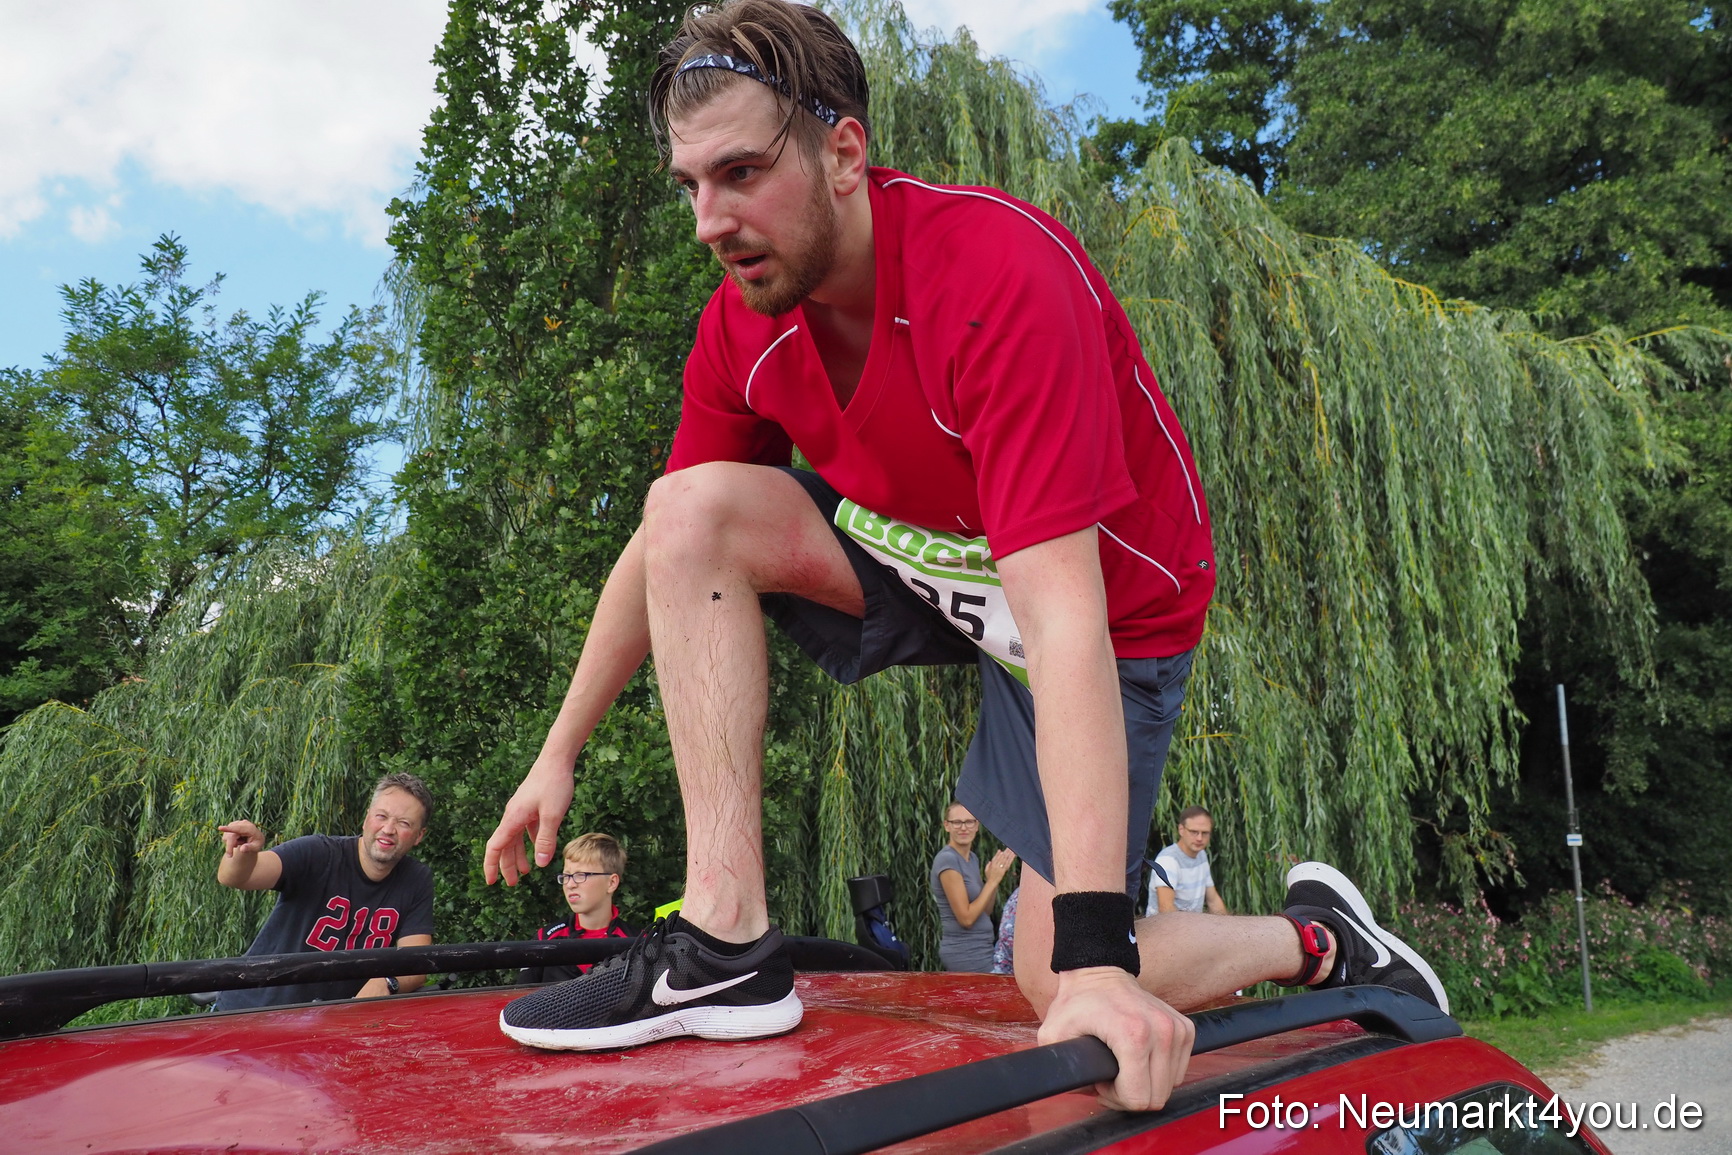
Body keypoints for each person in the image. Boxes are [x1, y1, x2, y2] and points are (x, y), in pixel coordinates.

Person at [486, 0, 1448, 1109]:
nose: (710, 218)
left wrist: (1096, 960)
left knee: (1051, 973)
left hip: (1102, 607)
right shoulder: (741, 322)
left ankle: (1316, 939)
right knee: (692, 506)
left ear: (843, 151)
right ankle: (725, 941)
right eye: (690, 185)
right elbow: (665, 537)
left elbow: (1063, 616)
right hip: (935, 566)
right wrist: (559, 749)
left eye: (741, 173)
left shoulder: (995, 276)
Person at [214, 772, 436, 1010]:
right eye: (381, 816)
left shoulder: (417, 879)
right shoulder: (319, 853)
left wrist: (388, 982)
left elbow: (417, 963)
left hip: (330, 1025)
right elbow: (236, 877)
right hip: (251, 1012)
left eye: (404, 823)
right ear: (366, 819)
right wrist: (243, 852)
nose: (388, 829)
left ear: (418, 836)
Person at [523, 833, 635, 983]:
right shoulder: (546, 938)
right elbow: (520, 999)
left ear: (611, 883)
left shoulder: (636, 943)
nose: (570, 884)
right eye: (566, 876)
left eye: (581, 875)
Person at [930, 802, 1015, 972]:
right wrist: (991, 882)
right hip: (965, 952)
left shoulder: (972, 859)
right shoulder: (947, 860)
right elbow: (966, 919)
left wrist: (993, 880)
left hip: (983, 948)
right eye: (957, 822)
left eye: (969, 822)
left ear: (977, 826)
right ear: (947, 826)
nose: (964, 828)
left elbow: (985, 912)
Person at [1146, 806, 1228, 916]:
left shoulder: (1201, 855)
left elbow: (1213, 900)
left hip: (1191, 928)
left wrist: (1228, 928)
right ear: (1181, 830)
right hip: (1164, 930)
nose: (1199, 838)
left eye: (1205, 833)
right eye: (1194, 832)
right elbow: (1166, 910)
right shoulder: (1168, 860)